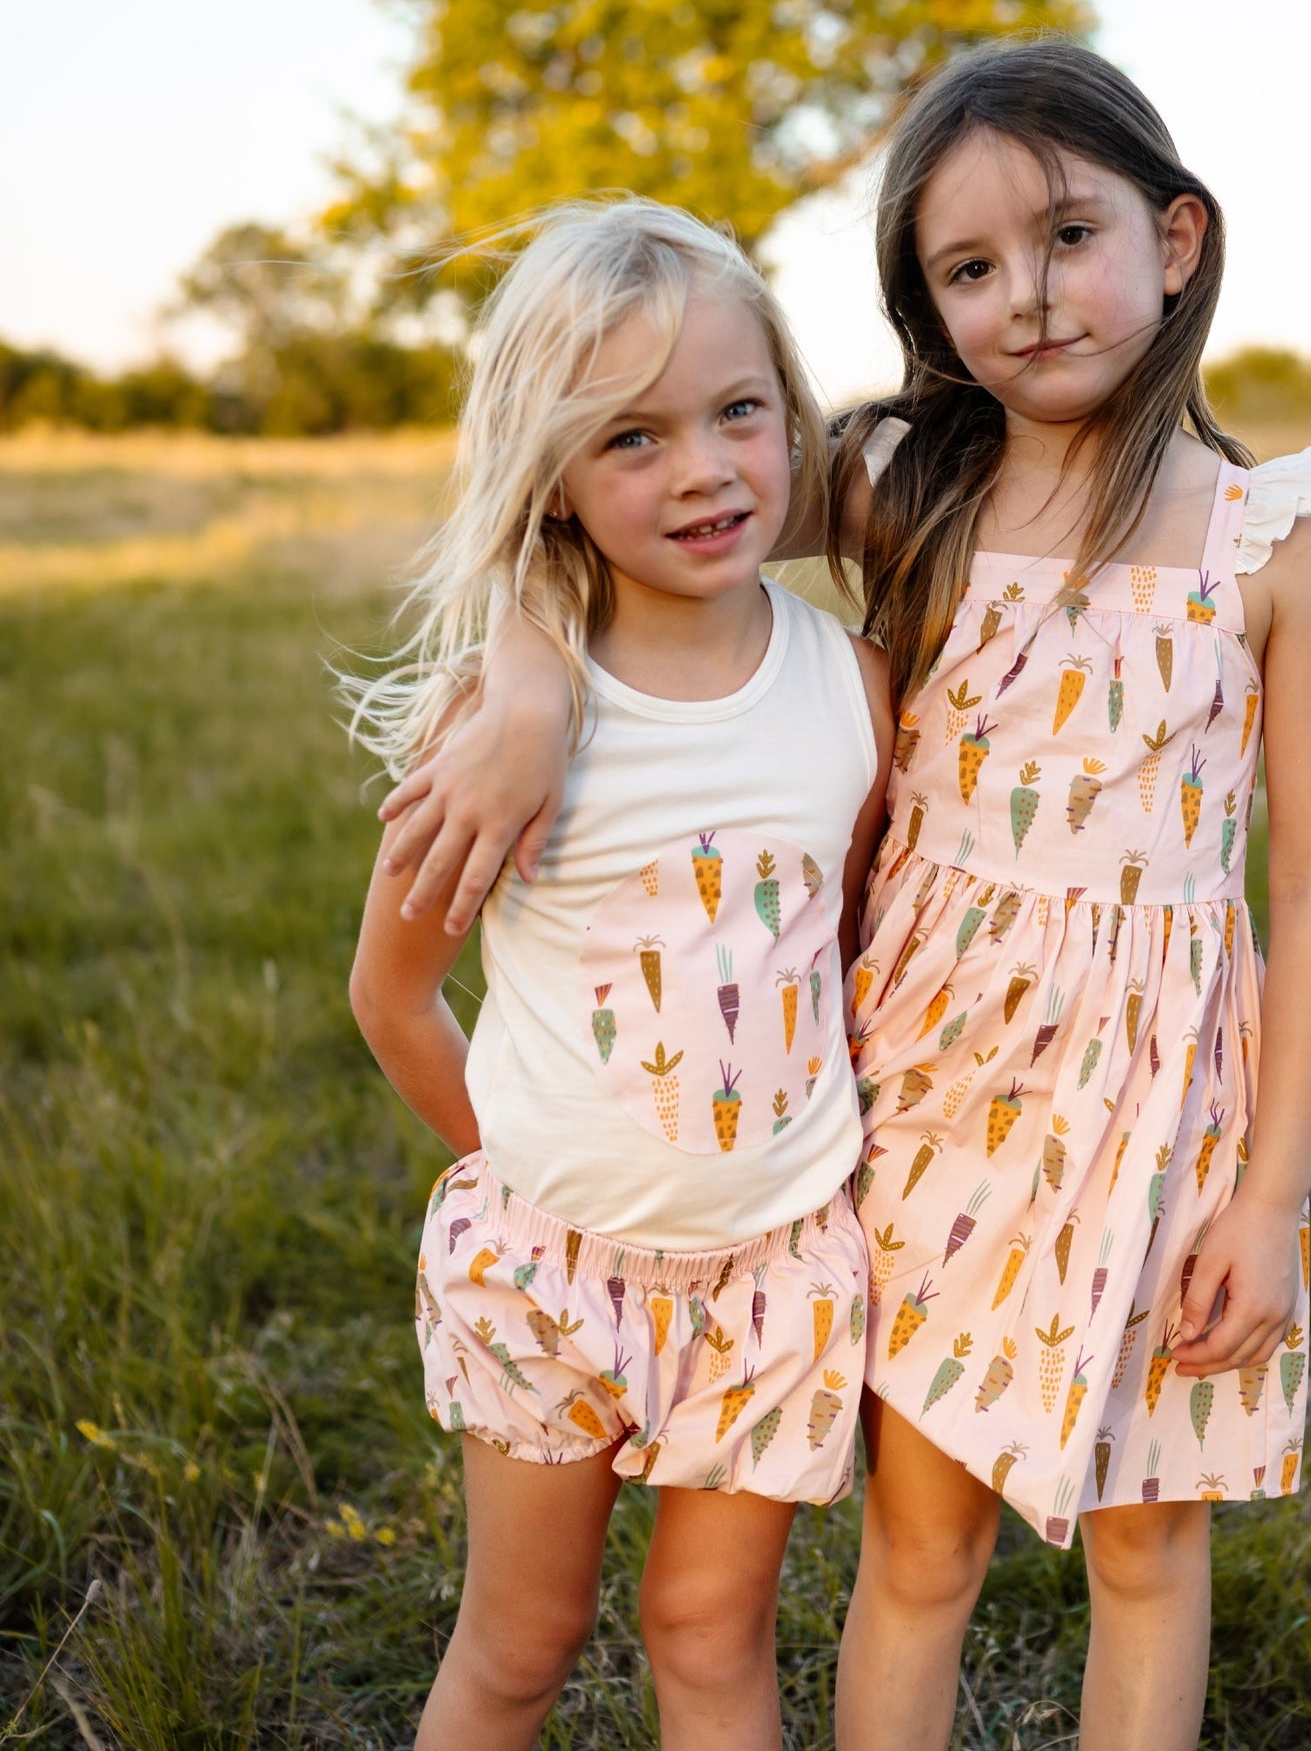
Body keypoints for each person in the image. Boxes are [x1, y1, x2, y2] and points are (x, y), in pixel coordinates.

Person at [380, 38, 1311, 1751]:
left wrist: (1270, 1197)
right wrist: (529, 684)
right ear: (922, 299)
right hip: (922, 1086)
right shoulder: (914, 485)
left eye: (1067, 237)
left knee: (1149, 1535)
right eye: (967, 268)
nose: (1029, 299)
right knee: (922, 1539)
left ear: (1179, 239)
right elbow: (623, 512)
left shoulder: (1278, 546)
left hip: (1160, 1098)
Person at [345, 198, 894, 1751]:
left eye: (739, 412)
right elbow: (391, 997)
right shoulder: (510, 714)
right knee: (524, 1642)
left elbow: (835, 951)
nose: (707, 469)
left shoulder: (851, 689)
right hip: (552, 1274)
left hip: (775, 1276)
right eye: (632, 439)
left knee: (711, 1639)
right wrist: (525, 1181)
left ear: (793, 418)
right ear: (560, 483)